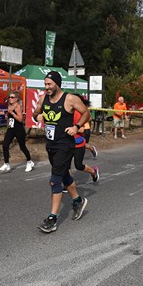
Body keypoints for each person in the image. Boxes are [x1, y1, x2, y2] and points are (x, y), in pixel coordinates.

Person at [33, 71, 90, 233]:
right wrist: (37, 116)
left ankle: (52, 218)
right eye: (45, 84)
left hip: (65, 145)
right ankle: (78, 201)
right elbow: (36, 112)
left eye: (49, 84)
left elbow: (86, 113)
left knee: (55, 181)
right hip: (51, 145)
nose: (47, 87)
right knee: (64, 175)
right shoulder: (43, 99)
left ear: (57, 84)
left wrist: (76, 127)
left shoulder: (70, 99)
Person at [0, 91, 34, 172]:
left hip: (18, 129)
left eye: (12, 97)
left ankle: (29, 161)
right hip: (11, 128)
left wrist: (12, 113)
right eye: (9, 97)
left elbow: (20, 119)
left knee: (22, 146)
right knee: (5, 145)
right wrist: (8, 116)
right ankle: (6, 163)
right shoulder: (10, 106)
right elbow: (11, 118)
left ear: (16, 99)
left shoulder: (17, 107)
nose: (10, 99)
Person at [71, 94, 100, 183]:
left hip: (78, 141)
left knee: (78, 165)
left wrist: (75, 127)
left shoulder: (80, 111)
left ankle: (93, 172)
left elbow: (83, 128)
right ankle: (68, 183)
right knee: (65, 164)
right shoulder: (67, 110)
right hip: (67, 142)